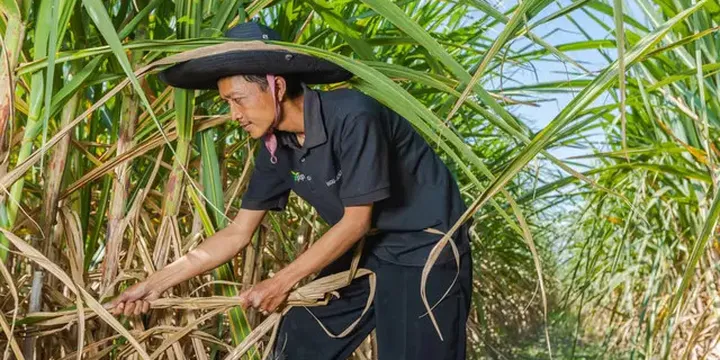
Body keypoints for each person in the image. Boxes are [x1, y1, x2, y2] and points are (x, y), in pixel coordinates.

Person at [109, 21, 473, 360]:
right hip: (366, 253)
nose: (234, 114)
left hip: (424, 250)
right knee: (298, 336)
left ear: (276, 87)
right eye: (227, 103)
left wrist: (280, 281)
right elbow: (238, 233)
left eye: (239, 99)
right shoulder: (274, 148)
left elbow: (355, 222)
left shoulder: (354, 116)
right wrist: (154, 285)